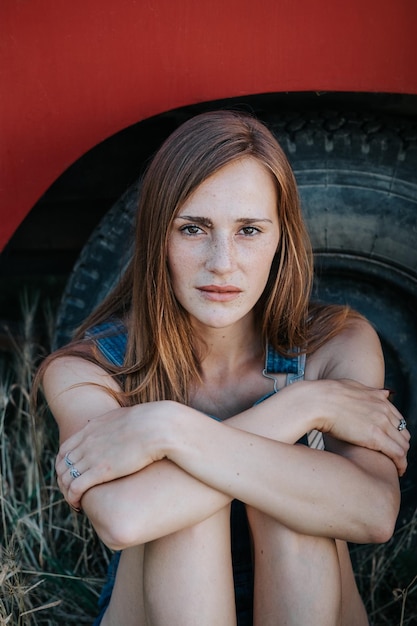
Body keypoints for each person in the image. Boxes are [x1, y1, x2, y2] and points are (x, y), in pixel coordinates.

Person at [36, 110, 409, 626]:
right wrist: (304, 405)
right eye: (193, 228)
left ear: (282, 239)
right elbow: (125, 519)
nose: (222, 262)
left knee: (289, 505)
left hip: (309, 599)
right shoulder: (90, 368)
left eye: (249, 230)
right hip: (159, 606)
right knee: (184, 517)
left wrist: (167, 432)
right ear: (157, 238)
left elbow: (374, 513)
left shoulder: (338, 344)